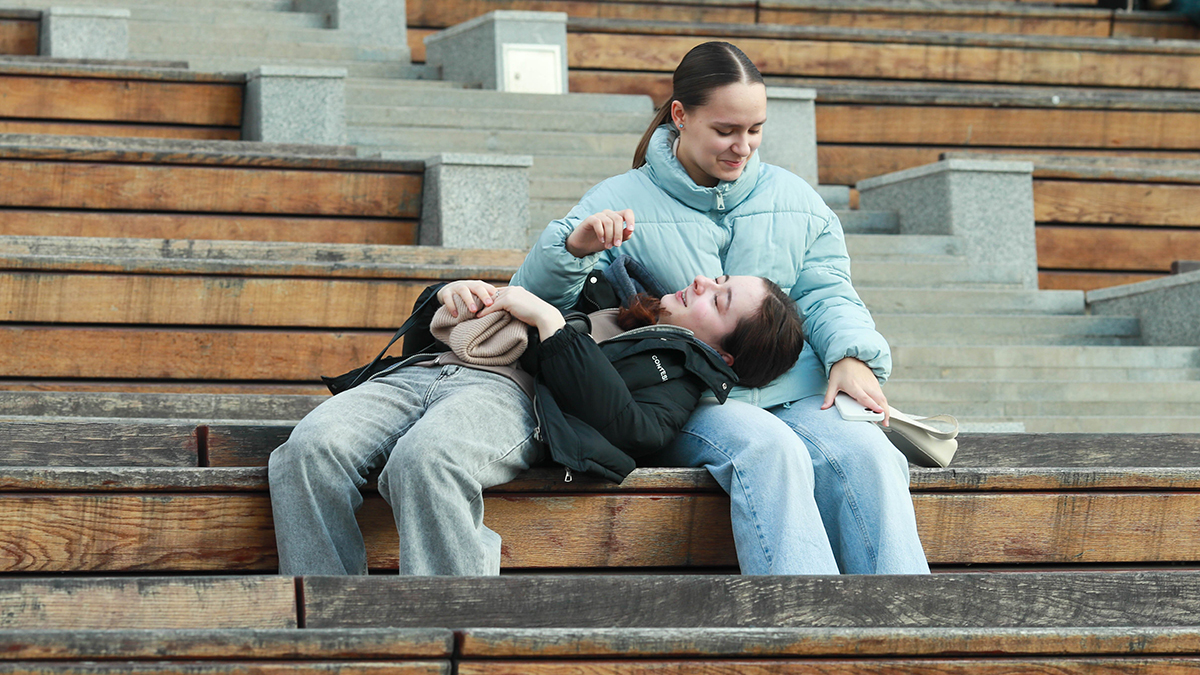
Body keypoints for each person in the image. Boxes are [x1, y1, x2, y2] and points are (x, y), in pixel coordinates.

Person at [510, 41, 930, 575]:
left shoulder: (795, 198)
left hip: (798, 390)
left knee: (870, 455)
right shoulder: (616, 199)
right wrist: (571, 251)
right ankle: (803, 638)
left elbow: (827, 291)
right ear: (681, 117)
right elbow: (534, 300)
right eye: (726, 131)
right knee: (769, 451)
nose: (742, 147)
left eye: (755, 130)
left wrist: (849, 355)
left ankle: (906, 638)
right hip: (692, 398)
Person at [268, 257, 804, 575]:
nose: (705, 284)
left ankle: (456, 638)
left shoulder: (682, 377)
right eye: (719, 278)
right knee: (306, 452)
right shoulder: (616, 294)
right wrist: (448, 295)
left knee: (427, 462)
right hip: (424, 370)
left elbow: (630, 432)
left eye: (721, 299)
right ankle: (329, 629)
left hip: (508, 398)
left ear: (724, 354)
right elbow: (511, 294)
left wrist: (552, 325)